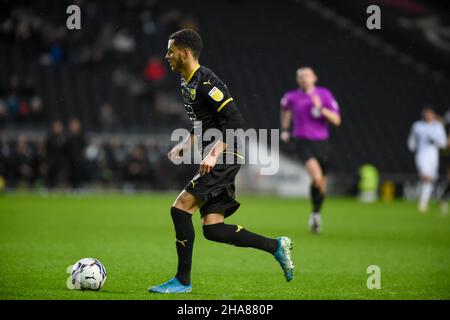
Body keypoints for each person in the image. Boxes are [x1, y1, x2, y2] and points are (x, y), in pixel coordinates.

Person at [148, 29, 294, 294]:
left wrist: (214, 152)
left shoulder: (206, 82)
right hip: (220, 155)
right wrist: (186, 144)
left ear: (185, 53)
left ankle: (182, 281)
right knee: (213, 229)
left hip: (225, 155)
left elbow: (235, 121)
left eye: (170, 50)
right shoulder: (186, 82)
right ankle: (276, 246)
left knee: (180, 209)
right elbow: (203, 123)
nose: (166, 56)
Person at [280, 67, 341, 234]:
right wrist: (285, 129)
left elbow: (336, 120)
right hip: (302, 142)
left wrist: (321, 108)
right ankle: (315, 215)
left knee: (321, 184)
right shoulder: (291, 97)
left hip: (322, 143)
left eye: (306, 76)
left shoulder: (324, 95)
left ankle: (315, 213)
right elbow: (285, 112)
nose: (303, 79)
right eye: (300, 76)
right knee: (317, 177)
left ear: (314, 77)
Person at [408, 108, 447, 213]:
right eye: (426, 114)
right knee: (427, 177)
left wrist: (436, 141)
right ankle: (427, 202)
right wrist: (413, 147)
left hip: (433, 156)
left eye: (430, 114)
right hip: (421, 155)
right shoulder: (417, 126)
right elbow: (411, 141)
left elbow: (443, 143)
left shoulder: (438, 126)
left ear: (433, 115)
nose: (428, 116)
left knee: (431, 179)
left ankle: (424, 202)